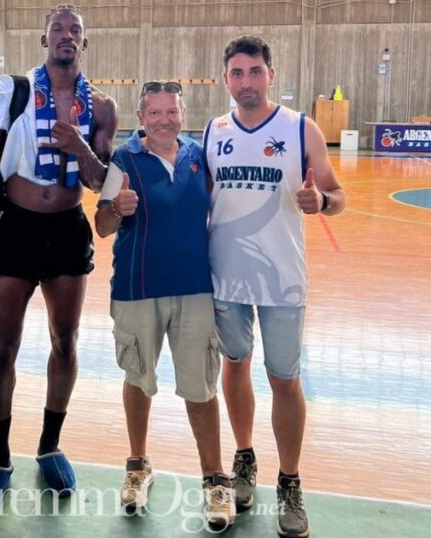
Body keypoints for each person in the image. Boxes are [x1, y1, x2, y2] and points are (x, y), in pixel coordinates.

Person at [0, 4, 118, 515]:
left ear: (85, 44)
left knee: (65, 341)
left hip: (68, 229)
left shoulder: (102, 107)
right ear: (44, 40)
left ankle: (50, 444)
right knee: (2, 347)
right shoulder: (14, 91)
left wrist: (79, 147)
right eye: (58, 29)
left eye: (75, 30)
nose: (66, 36)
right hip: (17, 226)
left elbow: (101, 184)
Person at [203, 35, 346, 538]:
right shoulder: (213, 130)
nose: (246, 82)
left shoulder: (299, 127)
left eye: (255, 71)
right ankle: (244, 458)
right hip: (227, 276)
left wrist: (321, 204)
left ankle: (290, 480)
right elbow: (203, 198)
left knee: (285, 377)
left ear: (270, 74)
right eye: (237, 73)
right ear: (226, 79)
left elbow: (337, 193)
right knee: (235, 365)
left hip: (283, 279)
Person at [95, 81, 236, 529]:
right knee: (139, 379)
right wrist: (117, 208)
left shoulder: (199, 156)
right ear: (141, 118)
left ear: (182, 114)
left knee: (202, 387)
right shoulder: (123, 160)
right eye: (154, 113)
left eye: (171, 112)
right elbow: (101, 225)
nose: (164, 120)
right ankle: (137, 465)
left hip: (195, 289)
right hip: (138, 290)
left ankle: (215, 479)